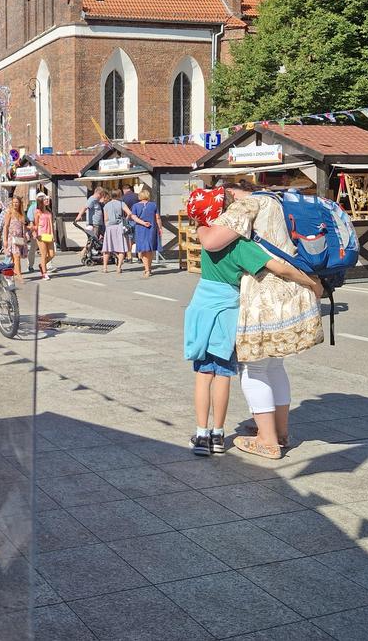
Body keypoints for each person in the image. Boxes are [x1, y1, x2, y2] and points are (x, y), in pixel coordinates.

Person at [185, 187, 323, 458]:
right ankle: (249, 433)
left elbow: (207, 235)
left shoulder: (211, 235)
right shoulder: (256, 227)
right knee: (257, 368)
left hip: (213, 309)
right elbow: (280, 266)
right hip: (243, 308)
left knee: (228, 372)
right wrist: (313, 284)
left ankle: (216, 435)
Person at [130, 188, 160, 277]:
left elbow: (134, 218)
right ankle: (149, 268)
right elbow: (158, 218)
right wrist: (160, 228)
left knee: (143, 250)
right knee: (150, 249)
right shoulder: (153, 205)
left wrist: (143, 223)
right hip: (152, 228)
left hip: (140, 229)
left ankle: (147, 270)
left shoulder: (135, 206)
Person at [101, 190, 133, 274]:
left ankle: (105, 268)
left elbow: (105, 219)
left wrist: (106, 227)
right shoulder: (121, 203)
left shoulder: (106, 205)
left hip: (109, 227)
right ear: (119, 195)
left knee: (107, 248)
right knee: (121, 248)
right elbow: (129, 213)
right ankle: (118, 267)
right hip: (119, 226)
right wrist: (125, 220)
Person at [0, 196, 29, 286]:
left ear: (20, 203)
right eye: (14, 202)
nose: (15, 204)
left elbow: (23, 226)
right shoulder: (9, 213)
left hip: (19, 239)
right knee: (17, 256)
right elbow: (6, 227)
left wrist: (26, 236)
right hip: (11, 238)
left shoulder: (21, 214)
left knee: (13, 258)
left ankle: (11, 274)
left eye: (17, 202)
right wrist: (4, 240)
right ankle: (19, 275)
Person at [34, 197, 56, 280]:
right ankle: (44, 273)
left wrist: (53, 234)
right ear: (41, 202)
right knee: (44, 254)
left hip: (49, 234)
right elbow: (36, 224)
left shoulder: (49, 211)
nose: (47, 201)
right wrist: (36, 234)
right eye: (45, 200)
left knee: (52, 254)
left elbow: (51, 224)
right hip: (41, 235)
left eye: (47, 200)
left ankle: (41, 265)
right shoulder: (37, 212)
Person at [25, 192, 46, 273]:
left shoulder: (46, 207)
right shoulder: (33, 207)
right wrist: (33, 232)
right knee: (33, 249)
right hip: (36, 231)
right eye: (41, 197)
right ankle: (30, 265)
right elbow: (31, 221)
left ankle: (47, 265)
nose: (42, 199)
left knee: (45, 249)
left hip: (45, 232)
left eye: (43, 197)